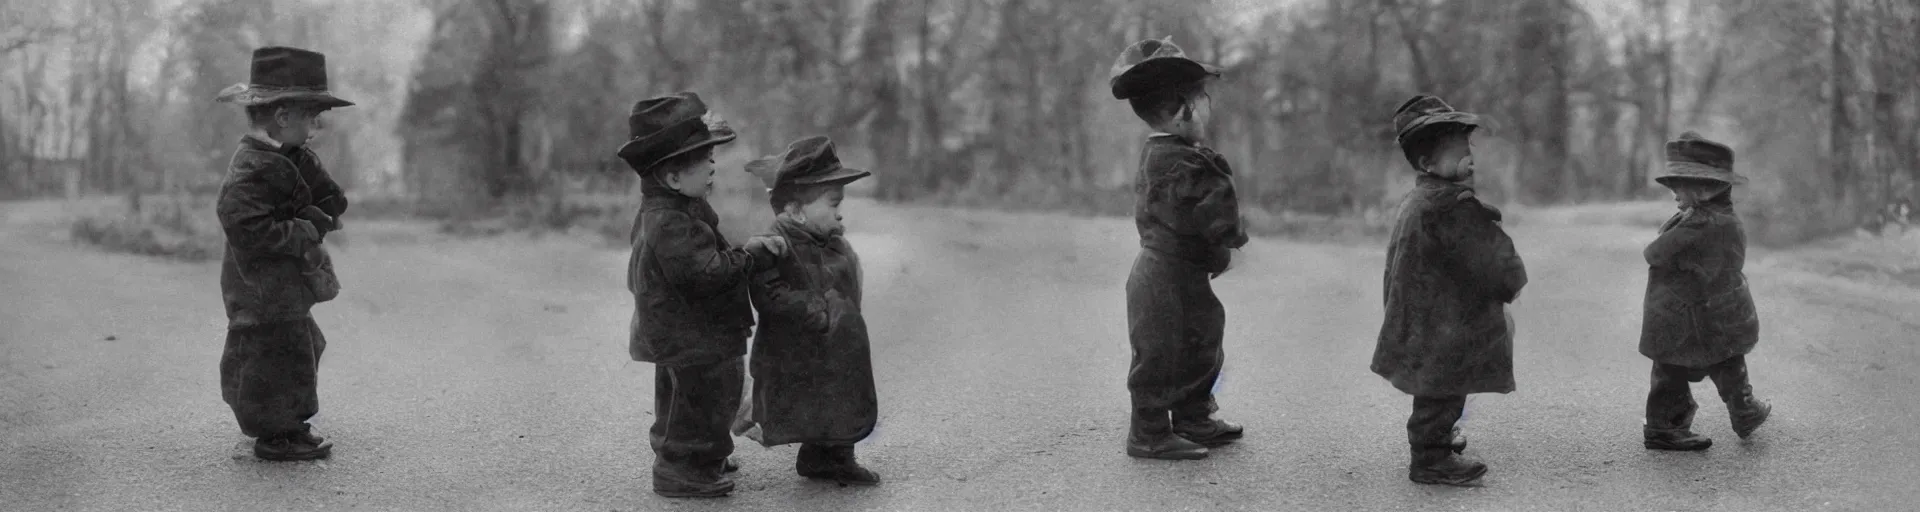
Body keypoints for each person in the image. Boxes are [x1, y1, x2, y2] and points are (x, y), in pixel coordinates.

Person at [619, 92, 787, 498]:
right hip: (691, 333)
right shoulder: (670, 223)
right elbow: (705, 273)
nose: (714, 166)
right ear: (674, 178)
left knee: (684, 397)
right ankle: (683, 466)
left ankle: (695, 456)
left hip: (682, 330)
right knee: (709, 394)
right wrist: (747, 258)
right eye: (705, 163)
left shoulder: (679, 208)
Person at [1373, 95, 1527, 486]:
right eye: (1456, 152)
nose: (1469, 159)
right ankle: (1430, 458)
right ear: (1426, 163)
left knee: (1436, 386)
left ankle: (1436, 441)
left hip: (1426, 313)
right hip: (1445, 320)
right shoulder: (1450, 207)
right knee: (1444, 386)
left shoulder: (1420, 199)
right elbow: (1489, 259)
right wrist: (1511, 281)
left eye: (1468, 149)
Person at [1108, 36, 1250, 461]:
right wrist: (1231, 237)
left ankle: (1192, 416)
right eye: (1201, 99)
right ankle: (1148, 432)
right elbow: (1213, 216)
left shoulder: (1172, 154)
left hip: (1181, 272)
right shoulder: (1182, 162)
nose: (1207, 107)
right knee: (1160, 349)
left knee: (1201, 338)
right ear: (1183, 111)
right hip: (1161, 276)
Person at [212, 46, 354, 462]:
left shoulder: (286, 154)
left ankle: (291, 421)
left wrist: (326, 203)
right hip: (257, 284)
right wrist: (303, 229)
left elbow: (324, 194)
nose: (316, 126)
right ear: (283, 117)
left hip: (283, 281)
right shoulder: (250, 168)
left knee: (301, 345)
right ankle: (275, 433)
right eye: (311, 117)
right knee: (267, 354)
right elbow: (248, 229)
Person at [732, 136, 882, 486]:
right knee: (814, 401)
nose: (839, 213)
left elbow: (848, 283)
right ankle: (819, 455)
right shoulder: (776, 245)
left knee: (842, 398)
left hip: (838, 345)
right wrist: (811, 308)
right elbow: (767, 293)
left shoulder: (831, 242)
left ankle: (833, 457)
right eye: (832, 204)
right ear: (796, 210)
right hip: (799, 348)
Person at [1639, 131, 1771, 451]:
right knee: (1710, 360)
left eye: (1678, 186)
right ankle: (1670, 426)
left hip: (1694, 309)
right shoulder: (1705, 218)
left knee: (1708, 359)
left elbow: (1656, 252)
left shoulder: (1707, 222)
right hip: (1686, 310)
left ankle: (1734, 412)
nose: (1673, 193)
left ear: (1703, 188)